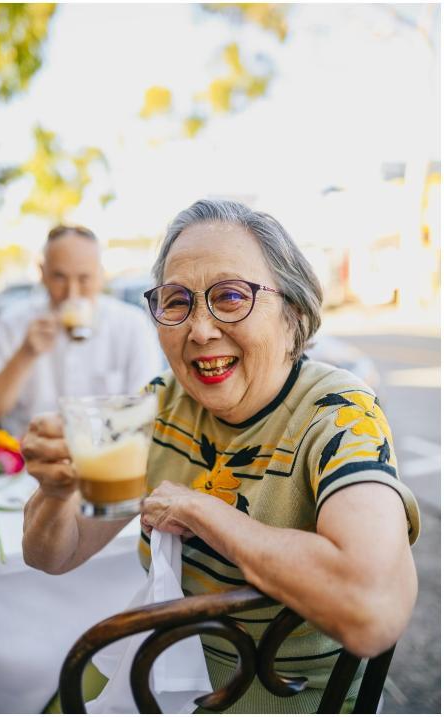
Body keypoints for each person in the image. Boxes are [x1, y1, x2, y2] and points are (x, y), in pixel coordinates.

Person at [21, 200, 420, 714]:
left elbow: (372, 614)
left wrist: (201, 510)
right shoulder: (162, 402)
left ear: (293, 311)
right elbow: (53, 555)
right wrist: (56, 492)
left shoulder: (339, 413)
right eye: (177, 301)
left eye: (230, 296)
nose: (201, 329)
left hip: (280, 697)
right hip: (161, 676)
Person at [0, 225, 161, 437]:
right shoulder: (13, 323)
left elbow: (147, 409)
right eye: (59, 277)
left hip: (107, 460)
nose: (72, 293)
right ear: (42, 274)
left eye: (84, 279)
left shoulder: (131, 325)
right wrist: (25, 354)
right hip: (26, 460)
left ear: (101, 275)